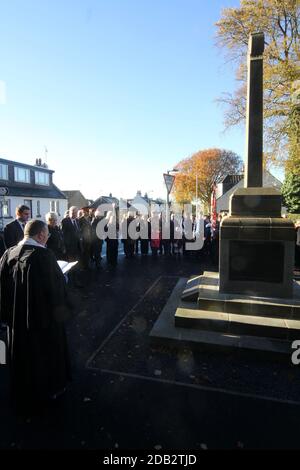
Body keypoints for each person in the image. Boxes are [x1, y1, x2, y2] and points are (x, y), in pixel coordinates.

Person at [0, 219, 72, 413]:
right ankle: (49, 389)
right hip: (41, 321)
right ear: (40, 235)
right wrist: (63, 279)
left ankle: (22, 389)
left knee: (21, 355)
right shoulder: (44, 256)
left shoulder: (8, 254)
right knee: (44, 355)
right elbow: (56, 291)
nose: (48, 237)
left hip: (16, 321)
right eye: (47, 233)